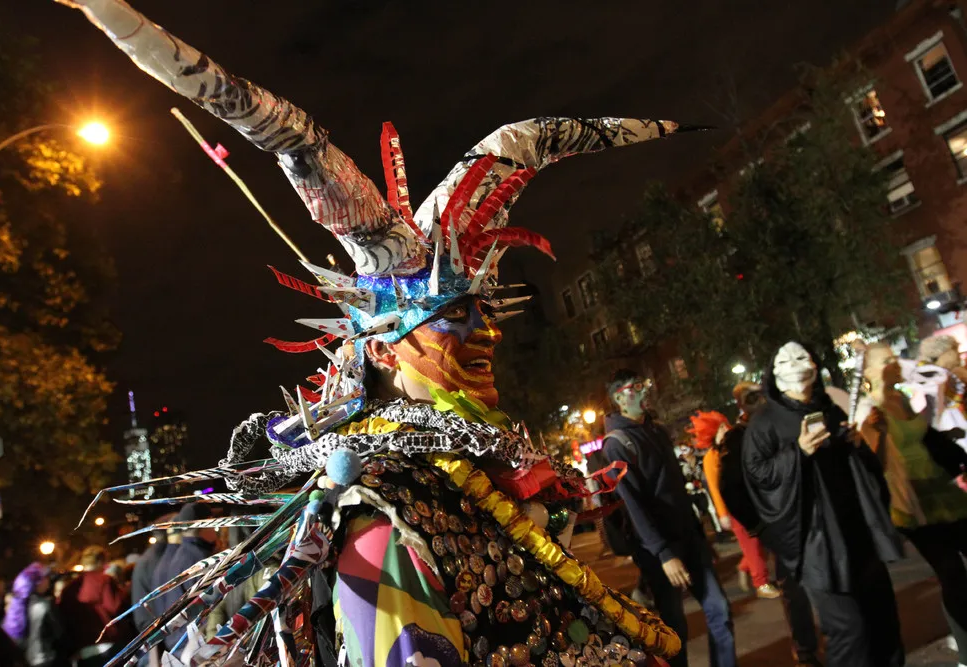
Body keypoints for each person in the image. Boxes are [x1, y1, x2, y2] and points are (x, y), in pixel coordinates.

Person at [56, 1, 704, 665]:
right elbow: (292, 140)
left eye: (485, 311)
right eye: (454, 314)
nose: (485, 333)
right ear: (381, 348)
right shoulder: (378, 520)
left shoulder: (466, 476)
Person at [743, 341, 904, 667]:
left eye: (802, 356)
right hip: (816, 542)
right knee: (849, 630)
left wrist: (857, 443)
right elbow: (758, 475)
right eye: (785, 360)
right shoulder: (765, 422)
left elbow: (859, 464)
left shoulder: (830, 408)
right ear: (774, 374)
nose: (795, 364)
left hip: (856, 532)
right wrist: (797, 453)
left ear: (815, 366)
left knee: (883, 620)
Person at [603, 369, 737, 667]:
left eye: (641, 385)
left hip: (690, 540)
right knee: (675, 630)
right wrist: (663, 553)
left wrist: (699, 537)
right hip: (659, 552)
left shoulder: (658, 430)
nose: (639, 392)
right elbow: (634, 505)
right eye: (630, 388)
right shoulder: (616, 443)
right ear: (617, 398)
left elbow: (676, 489)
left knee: (720, 612)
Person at [857, 342, 967, 667]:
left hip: (941, 491)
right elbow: (872, 463)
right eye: (885, 361)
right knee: (951, 571)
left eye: (894, 358)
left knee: (956, 572)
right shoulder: (868, 409)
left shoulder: (899, 398)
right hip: (911, 502)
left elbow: (924, 436)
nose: (894, 364)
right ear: (868, 372)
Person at [717, 383, 820, 667]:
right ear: (740, 404)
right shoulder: (738, 437)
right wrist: (759, 525)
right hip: (777, 523)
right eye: (750, 397)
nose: (758, 400)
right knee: (795, 588)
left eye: (760, 393)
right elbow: (731, 487)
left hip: (808, 514)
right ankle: (806, 651)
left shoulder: (784, 421)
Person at [692, 410, 780, 599]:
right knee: (752, 543)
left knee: (758, 542)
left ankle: (745, 567)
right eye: (721, 426)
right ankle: (761, 583)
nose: (727, 428)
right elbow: (715, 488)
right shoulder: (712, 456)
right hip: (733, 509)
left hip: (748, 502)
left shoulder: (730, 446)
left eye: (725, 424)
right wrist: (723, 514)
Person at [151, 503, 218, 652]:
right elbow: (210, 605)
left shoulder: (182, 554)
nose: (216, 529)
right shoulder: (199, 560)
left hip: (181, 641)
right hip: (194, 643)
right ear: (204, 524)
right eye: (213, 523)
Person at [58, 547, 126, 667]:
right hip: (108, 643)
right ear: (101, 562)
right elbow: (114, 607)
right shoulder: (105, 580)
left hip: (83, 649)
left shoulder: (69, 589)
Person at [2, 563, 64, 667]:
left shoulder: (14, 605)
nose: (48, 581)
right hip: (45, 660)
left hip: (24, 662)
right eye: (46, 578)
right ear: (38, 582)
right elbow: (59, 635)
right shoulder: (45, 605)